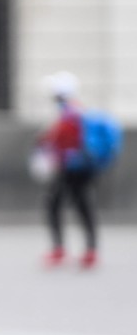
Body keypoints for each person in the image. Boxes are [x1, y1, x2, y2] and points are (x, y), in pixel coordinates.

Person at [38, 72, 101, 269]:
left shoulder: (68, 113)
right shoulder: (79, 111)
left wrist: (45, 141)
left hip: (70, 166)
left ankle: (60, 248)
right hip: (85, 166)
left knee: (55, 204)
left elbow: (58, 140)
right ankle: (90, 249)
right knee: (83, 204)